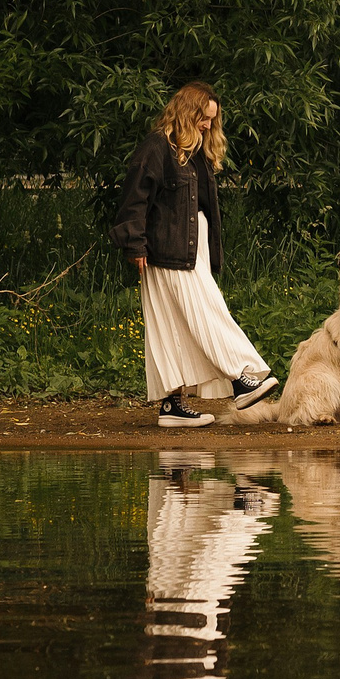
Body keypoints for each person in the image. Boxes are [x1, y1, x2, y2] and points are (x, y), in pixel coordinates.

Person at [111, 82, 280, 428]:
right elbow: (135, 197)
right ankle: (241, 377)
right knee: (206, 313)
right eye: (203, 117)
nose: (207, 125)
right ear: (187, 112)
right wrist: (134, 243)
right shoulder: (158, 147)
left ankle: (173, 406)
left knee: (178, 324)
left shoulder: (193, 150)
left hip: (192, 248)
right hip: (167, 249)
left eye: (211, 120)